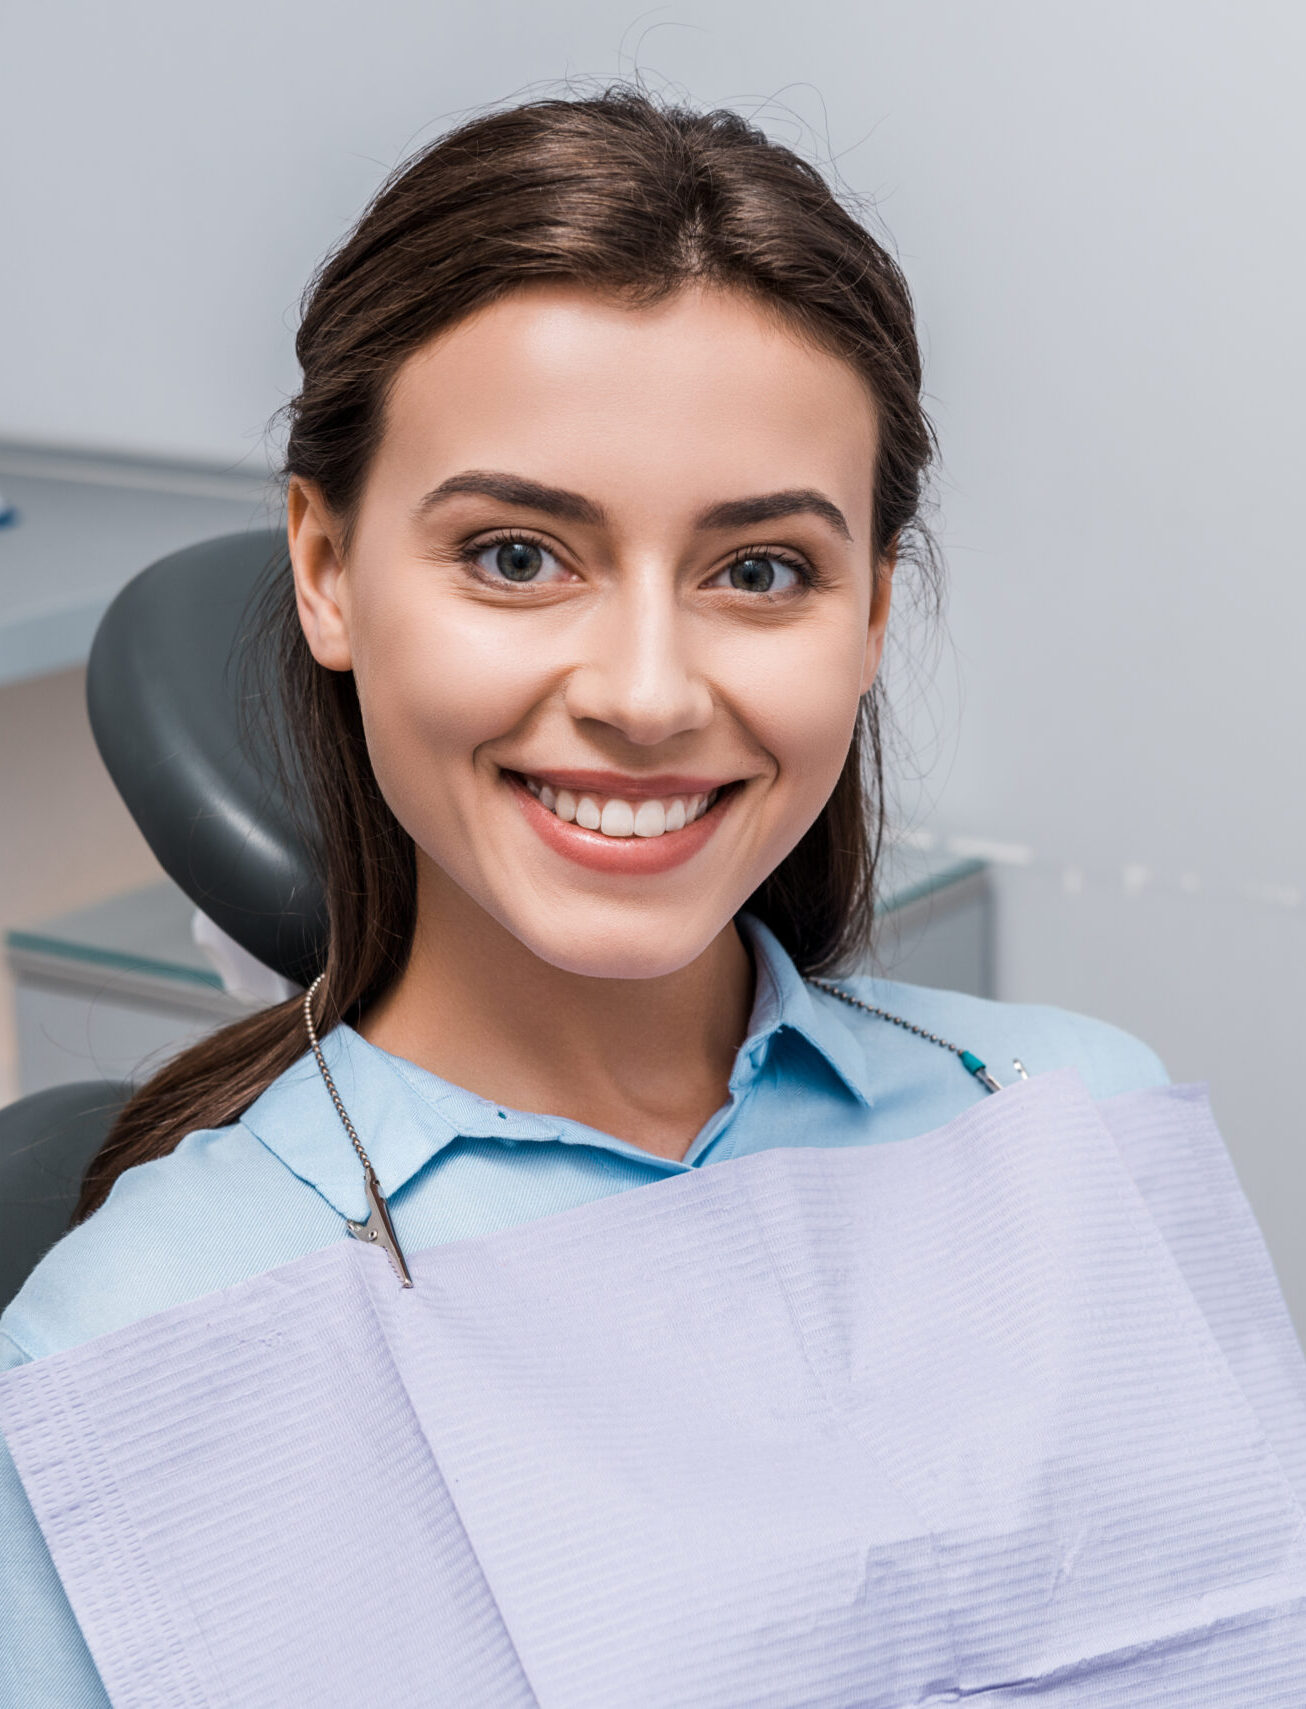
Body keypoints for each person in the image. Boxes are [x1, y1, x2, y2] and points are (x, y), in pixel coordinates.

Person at [4, 90, 1299, 1707]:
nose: (642, 691)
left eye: (757, 571)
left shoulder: (1060, 1118)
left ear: (872, 610)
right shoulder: (139, 1333)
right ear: (326, 570)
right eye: (517, 555)